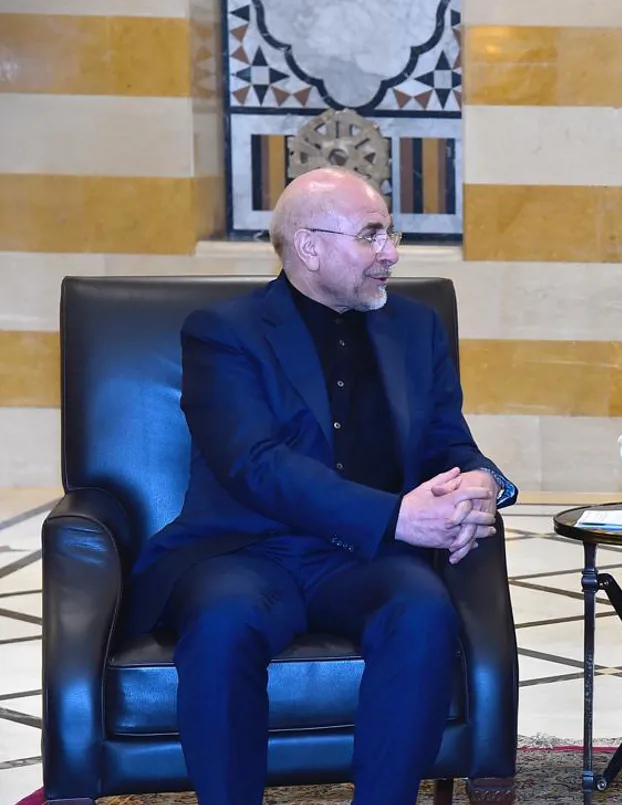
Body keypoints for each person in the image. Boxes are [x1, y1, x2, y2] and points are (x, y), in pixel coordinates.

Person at [122, 166, 518, 805]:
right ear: (308, 246)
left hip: (365, 558)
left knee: (423, 612)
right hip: (248, 551)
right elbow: (255, 462)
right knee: (223, 624)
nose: (390, 254)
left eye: (390, 234)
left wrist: (481, 482)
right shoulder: (225, 332)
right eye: (371, 235)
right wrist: (396, 516)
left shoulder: (415, 328)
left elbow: (447, 439)